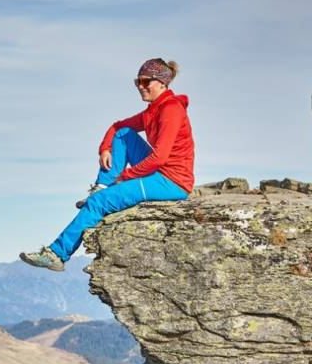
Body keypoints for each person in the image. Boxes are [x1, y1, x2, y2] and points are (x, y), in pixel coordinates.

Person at [20, 58, 195, 271]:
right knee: (123, 135)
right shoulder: (154, 110)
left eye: (145, 81)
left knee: (99, 203)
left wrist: (125, 177)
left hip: (171, 181)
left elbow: (159, 157)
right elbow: (118, 127)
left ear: (161, 83)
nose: (140, 86)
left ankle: (57, 255)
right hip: (160, 172)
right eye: (137, 82)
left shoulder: (170, 109)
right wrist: (104, 148)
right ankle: (101, 187)